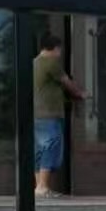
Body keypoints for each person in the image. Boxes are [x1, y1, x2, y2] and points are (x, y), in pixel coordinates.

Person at [33, 32, 86, 197]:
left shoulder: (34, 63)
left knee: (39, 149)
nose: (60, 53)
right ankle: (42, 186)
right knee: (50, 147)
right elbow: (67, 83)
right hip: (49, 113)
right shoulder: (50, 63)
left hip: (35, 114)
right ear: (55, 48)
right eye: (59, 49)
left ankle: (39, 186)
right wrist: (81, 94)